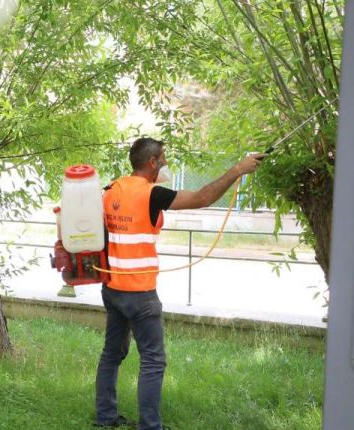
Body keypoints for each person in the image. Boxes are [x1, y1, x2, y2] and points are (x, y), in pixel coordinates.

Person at [93, 137, 266, 430]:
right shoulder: (152, 194)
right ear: (151, 163)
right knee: (153, 360)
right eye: (162, 158)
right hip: (140, 294)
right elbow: (202, 198)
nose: (165, 163)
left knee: (111, 354)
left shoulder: (110, 190)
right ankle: (150, 426)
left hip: (112, 289)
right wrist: (238, 169)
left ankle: (105, 418)